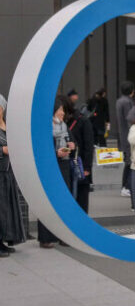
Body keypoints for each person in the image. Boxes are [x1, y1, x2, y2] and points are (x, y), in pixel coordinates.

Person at [38, 98, 75, 248]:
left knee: (63, 201)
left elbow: (72, 142)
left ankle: (63, 236)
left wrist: (71, 145)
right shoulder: (44, 127)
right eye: (60, 110)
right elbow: (41, 149)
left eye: (63, 110)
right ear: (53, 111)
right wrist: (56, 153)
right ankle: (45, 238)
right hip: (50, 167)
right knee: (48, 201)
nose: (63, 113)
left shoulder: (64, 126)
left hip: (64, 166)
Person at [0, 94, 26, 257]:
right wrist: (2, 150)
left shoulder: (7, 125)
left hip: (9, 171)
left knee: (7, 209)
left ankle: (4, 240)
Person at [61, 95, 94, 213]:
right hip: (67, 167)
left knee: (81, 200)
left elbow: (89, 146)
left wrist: (87, 168)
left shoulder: (82, 120)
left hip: (80, 166)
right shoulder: (60, 123)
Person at [116, 81, 135, 198]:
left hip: (122, 135)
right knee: (130, 162)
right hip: (128, 136)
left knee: (128, 162)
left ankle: (125, 186)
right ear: (132, 91)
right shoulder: (128, 102)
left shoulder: (119, 101)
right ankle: (126, 187)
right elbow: (130, 120)